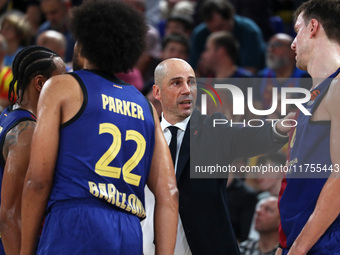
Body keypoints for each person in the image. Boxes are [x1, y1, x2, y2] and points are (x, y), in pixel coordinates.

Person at [20, 1, 178, 254]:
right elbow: (169, 192)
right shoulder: (144, 105)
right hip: (128, 230)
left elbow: (38, 180)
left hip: (74, 222)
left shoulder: (62, 86)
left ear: (82, 44)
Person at [142, 57, 293, 255]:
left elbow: (245, 136)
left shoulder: (213, 130)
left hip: (201, 247)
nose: (187, 89)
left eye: (191, 82)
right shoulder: (143, 136)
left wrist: (279, 128)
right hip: (147, 245)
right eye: (177, 82)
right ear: (157, 92)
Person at [277, 0, 340, 254]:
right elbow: (293, 187)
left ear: (313, 27)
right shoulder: (311, 99)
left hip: (326, 243)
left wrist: (298, 249)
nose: (293, 43)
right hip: (302, 242)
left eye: (297, 30)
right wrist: (283, 246)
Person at [0, 45, 66, 255]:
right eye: (61, 80)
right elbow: (10, 213)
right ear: (40, 83)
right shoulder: (27, 132)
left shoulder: (9, 113)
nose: (67, 86)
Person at [189, 0, 266, 73]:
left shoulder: (249, 32)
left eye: (220, 27)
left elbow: (250, 71)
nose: (216, 34)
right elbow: (194, 70)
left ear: (231, 18)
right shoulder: (199, 34)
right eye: (211, 30)